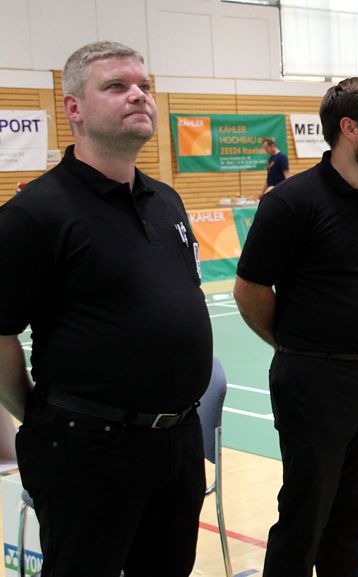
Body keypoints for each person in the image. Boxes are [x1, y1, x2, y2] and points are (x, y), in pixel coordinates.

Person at [0, 41, 212, 576]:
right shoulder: (35, 213)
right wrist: (42, 416)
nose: (138, 95)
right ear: (73, 108)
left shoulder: (167, 200)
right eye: (117, 86)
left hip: (178, 443)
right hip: (86, 450)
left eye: (144, 85)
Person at [234, 76, 358, 577]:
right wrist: (299, 346)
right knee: (304, 521)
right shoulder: (291, 203)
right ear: (350, 128)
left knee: (351, 521)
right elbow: (250, 291)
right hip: (314, 382)